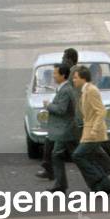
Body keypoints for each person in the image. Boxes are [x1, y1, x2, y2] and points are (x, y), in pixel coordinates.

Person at [71, 64, 110, 196]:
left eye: (75, 78)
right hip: (88, 131)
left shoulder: (91, 90)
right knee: (89, 159)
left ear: (83, 79)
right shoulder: (85, 91)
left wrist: (94, 130)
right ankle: (102, 187)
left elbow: (101, 111)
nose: (73, 80)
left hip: (93, 133)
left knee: (78, 155)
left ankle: (100, 183)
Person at [37, 47, 78, 180]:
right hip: (67, 121)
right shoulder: (71, 73)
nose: (62, 60)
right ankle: (49, 168)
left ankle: (100, 172)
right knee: (78, 149)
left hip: (68, 121)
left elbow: (65, 103)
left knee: (81, 152)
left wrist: (49, 106)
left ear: (70, 60)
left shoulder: (72, 75)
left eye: (63, 58)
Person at [45, 63, 81, 195]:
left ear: (63, 75)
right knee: (78, 156)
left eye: (55, 73)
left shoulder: (65, 90)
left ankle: (100, 178)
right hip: (67, 130)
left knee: (59, 155)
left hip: (66, 130)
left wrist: (48, 106)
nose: (53, 76)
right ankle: (61, 184)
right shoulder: (63, 88)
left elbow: (61, 109)